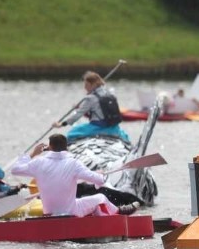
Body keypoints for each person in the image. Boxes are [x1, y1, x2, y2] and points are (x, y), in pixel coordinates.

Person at [11, 134, 139, 217]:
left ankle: (104, 216)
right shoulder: (74, 163)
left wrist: (33, 154)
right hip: (71, 212)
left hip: (49, 213)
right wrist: (98, 175)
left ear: (49, 147)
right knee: (100, 197)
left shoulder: (38, 162)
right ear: (66, 147)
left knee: (81, 201)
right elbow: (99, 180)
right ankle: (118, 213)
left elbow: (15, 169)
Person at [54, 71, 130, 142]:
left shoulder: (90, 98)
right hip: (114, 127)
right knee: (126, 136)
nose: (85, 87)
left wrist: (62, 124)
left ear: (94, 85)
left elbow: (78, 115)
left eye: (87, 85)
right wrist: (80, 106)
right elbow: (99, 111)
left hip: (98, 127)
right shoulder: (110, 93)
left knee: (72, 134)